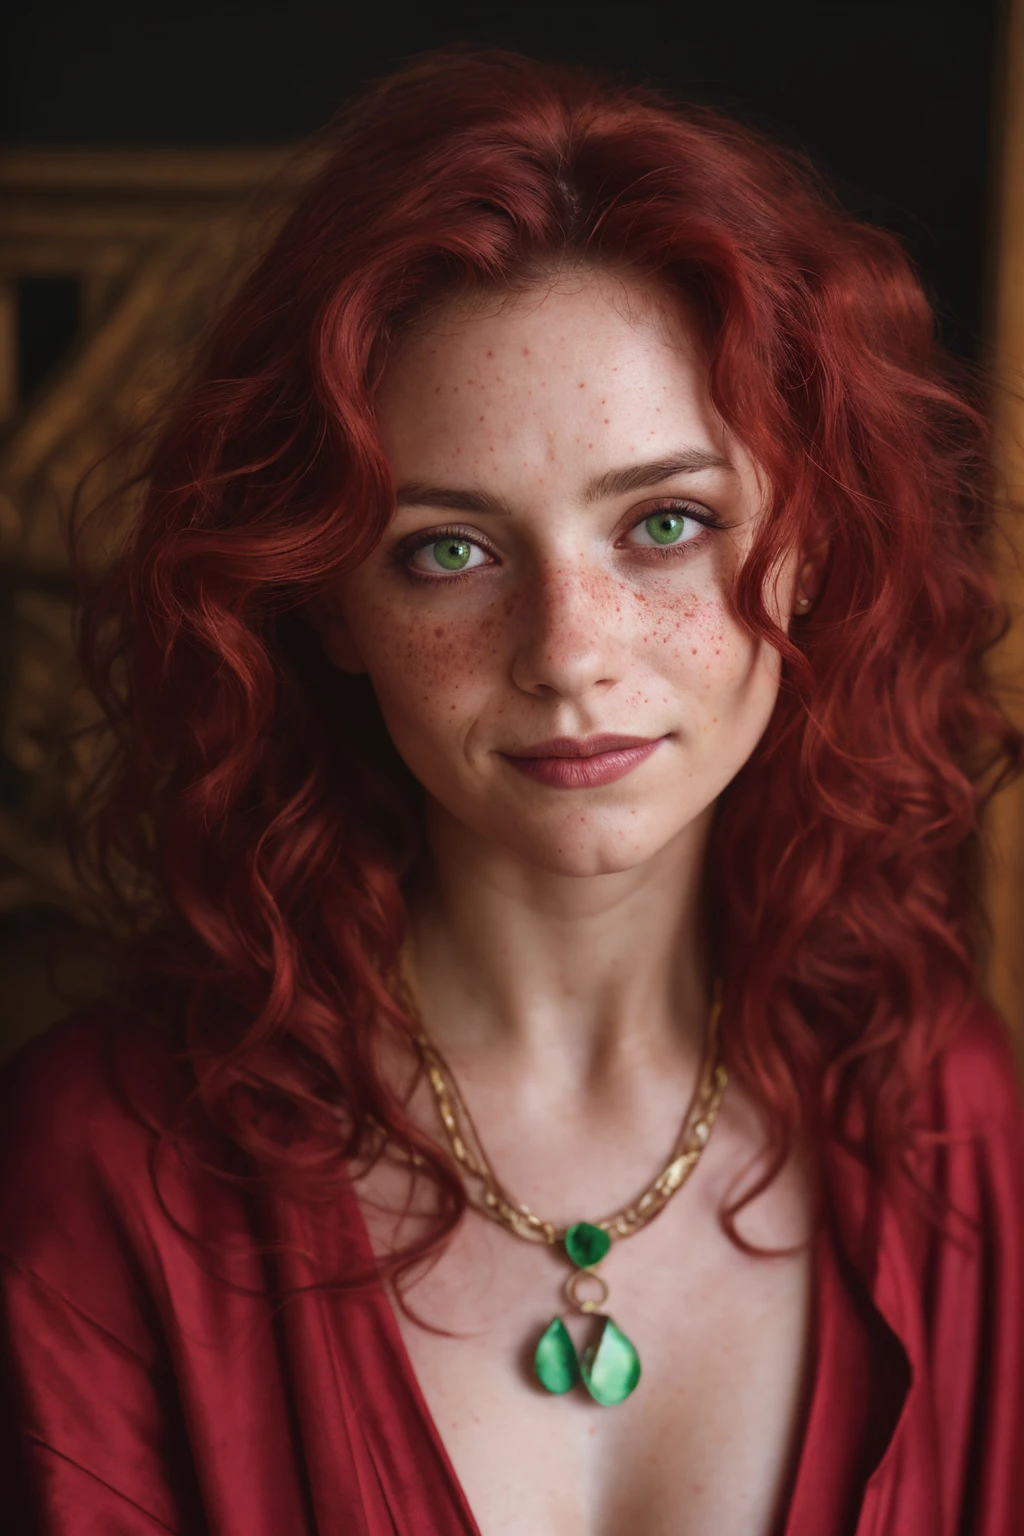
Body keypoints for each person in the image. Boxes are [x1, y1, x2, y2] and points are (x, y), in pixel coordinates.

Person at [1, 45, 1022, 1536]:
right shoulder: (99, 1167)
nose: (567, 654)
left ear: (813, 547)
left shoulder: (947, 1122)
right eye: (450, 549)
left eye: (664, 522)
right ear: (329, 607)